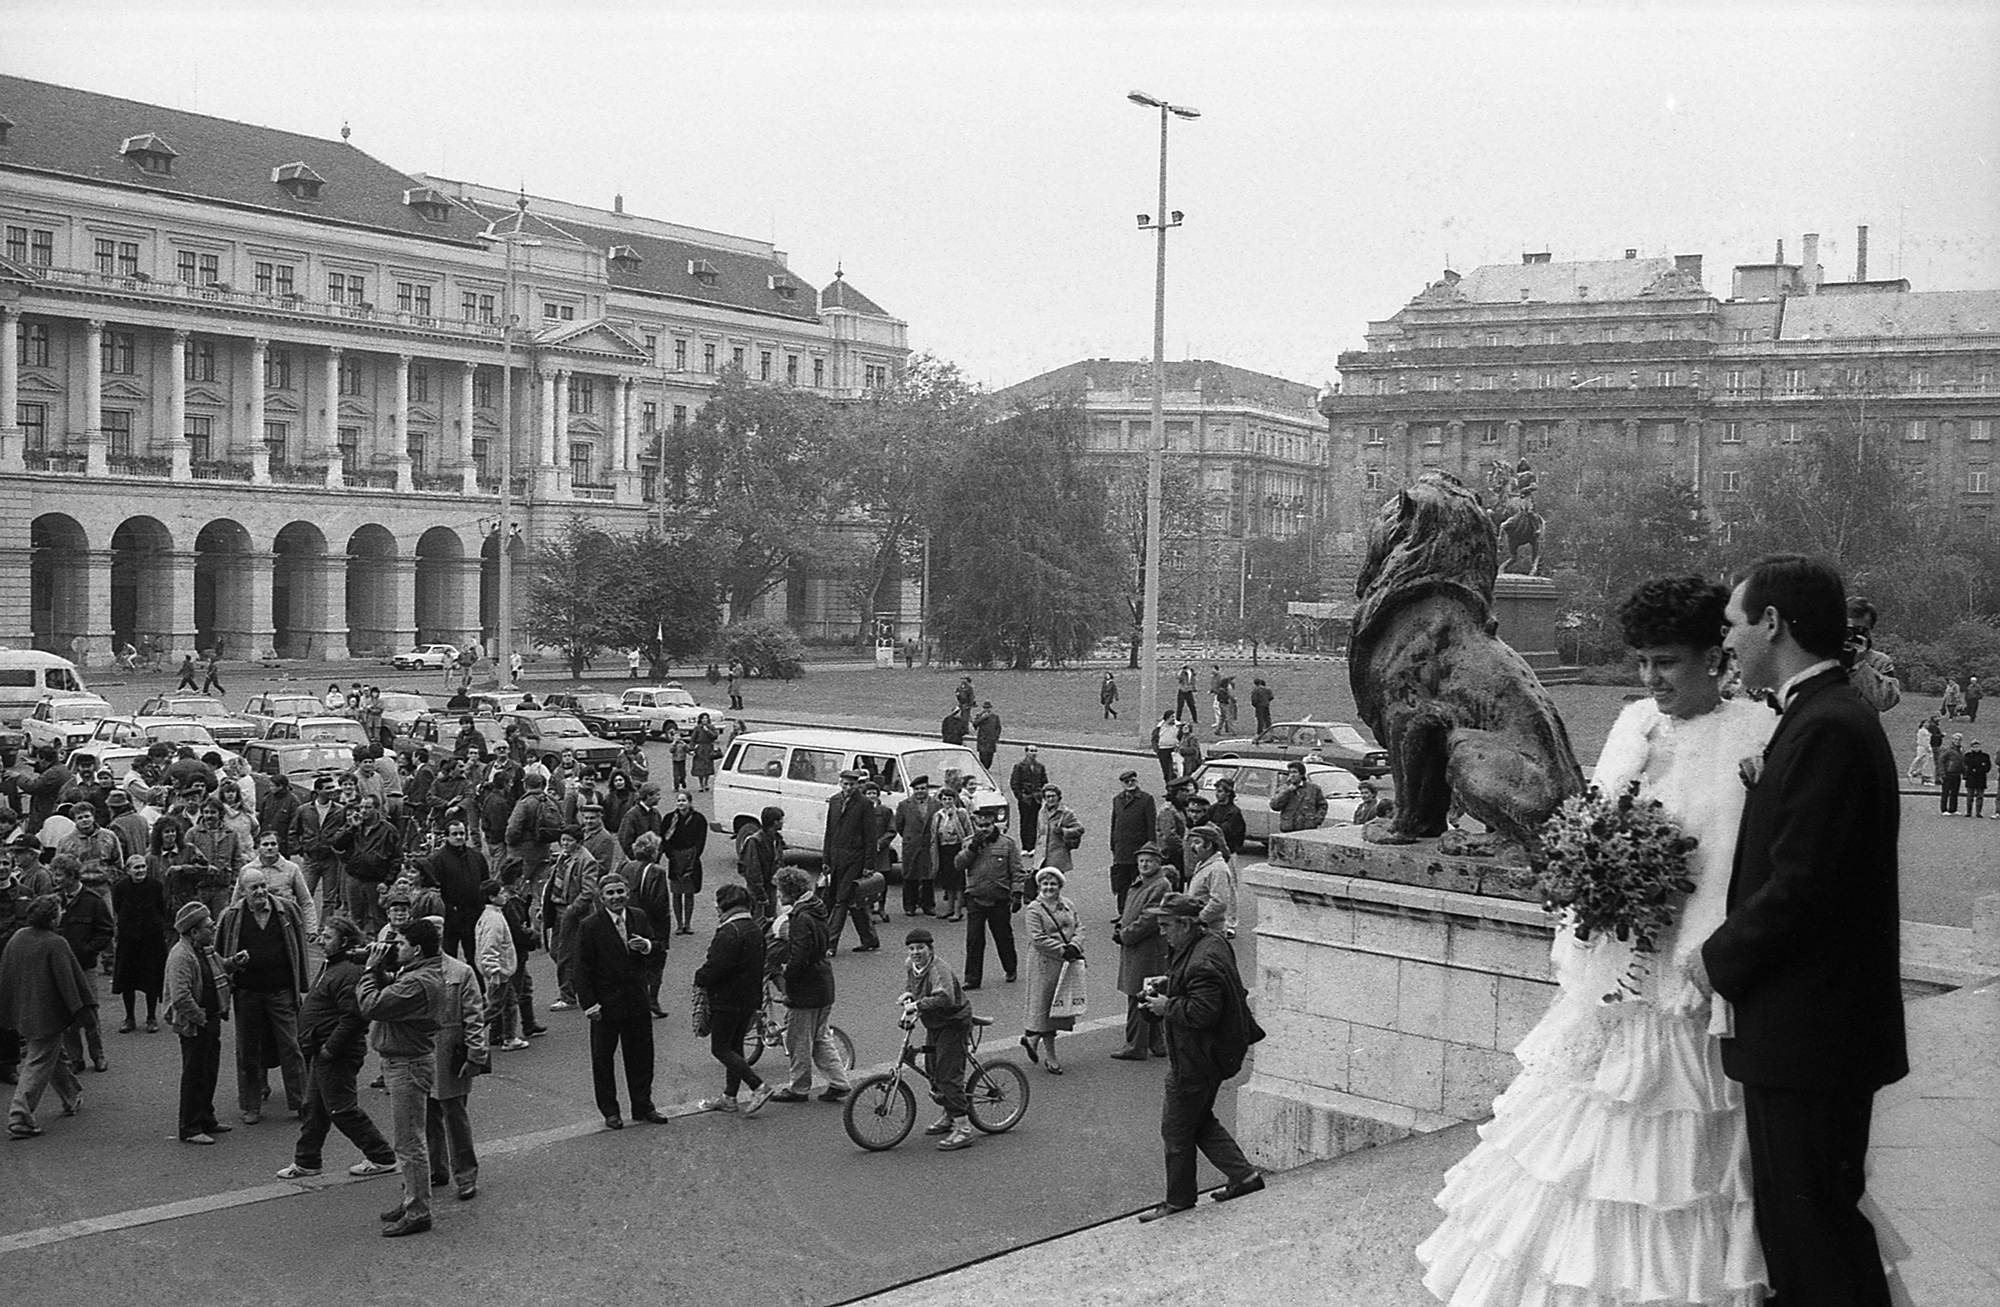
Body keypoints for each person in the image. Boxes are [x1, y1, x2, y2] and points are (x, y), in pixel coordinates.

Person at [1419, 574, 1776, 1305]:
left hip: (1708, 968)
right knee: (1595, 1148)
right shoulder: (1632, 724)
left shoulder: (1759, 733)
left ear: (1715, 655)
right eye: (1643, 660)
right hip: (1623, 966)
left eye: (1667, 661)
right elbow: (1594, 822)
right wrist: (1595, 866)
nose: (1652, 678)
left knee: (1701, 1150)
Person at [1701, 555, 1907, 1307]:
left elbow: (1802, 887)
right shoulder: (1821, 717)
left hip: (1810, 1038)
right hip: (1813, 1035)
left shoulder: (1826, 726)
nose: (1728, 641)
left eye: (1733, 624)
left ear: (1773, 624)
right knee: (1808, 1235)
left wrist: (1713, 960)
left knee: (1812, 1241)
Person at [1135, 893, 1263, 1222]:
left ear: (1186, 924)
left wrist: (1167, 1006)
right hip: (1208, 1055)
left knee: (1176, 1129)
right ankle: (1245, 1177)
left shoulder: (1202, 960)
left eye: (1166, 926)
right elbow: (1199, 989)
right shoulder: (1209, 943)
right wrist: (1170, 983)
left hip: (1195, 1059)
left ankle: (1178, 1200)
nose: (1162, 932)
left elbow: (1204, 1010)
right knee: (1200, 1119)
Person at [277, 917, 398, 1180]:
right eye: (321, 935)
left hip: (336, 1052)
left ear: (345, 941)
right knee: (315, 1108)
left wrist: (330, 1048)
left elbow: (354, 1017)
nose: (321, 940)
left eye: (328, 937)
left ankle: (381, 1156)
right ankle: (307, 1161)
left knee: (342, 1109)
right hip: (322, 1049)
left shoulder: (351, 971)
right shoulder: (334, 965)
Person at [356, 915, 446, 1237]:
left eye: (403, 944)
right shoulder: (422, 972)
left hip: (408, 1064)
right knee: (409, 1140)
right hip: (407, 1061)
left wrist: (369, 970)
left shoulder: (418, 982)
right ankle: (412, 1198)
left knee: (409, 1143)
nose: (397, 949)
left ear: (418, 949)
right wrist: (380, 970)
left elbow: (371, 1005)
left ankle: (419, 1210)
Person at [575, 874, 665, 1129]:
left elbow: (658, 947)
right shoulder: (590, 926)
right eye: (611, 893)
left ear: (627, 892)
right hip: (606, 1005)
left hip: (636, 1000)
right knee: (603, 1059)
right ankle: (610, 1111)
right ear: (601, 898)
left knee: (642, 1057)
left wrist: (647, 945)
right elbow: (582, 968)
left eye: (620, 891)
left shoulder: (638, 916)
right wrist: (589, 1004)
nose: (617, 897)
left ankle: (643, 1105)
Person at [0, 895, 91, 1139]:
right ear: (52, 917)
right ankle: (20, 1117)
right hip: (47, 1014)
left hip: (22, 1011)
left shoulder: (18, 937)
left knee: (53, 1055)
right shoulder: (55, 943)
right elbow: (69, 982)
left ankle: (71, 1095)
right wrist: (81, 1009)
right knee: (39, 1060)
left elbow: (7, 974)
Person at [767, 867, 850, 1104]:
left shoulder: (800, 918)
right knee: (821, 1038)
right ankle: (839, 1082)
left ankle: (799, 1088)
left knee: (798, 1039)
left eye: (780, 890)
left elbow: (798, 954)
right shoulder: (816, 910)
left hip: (807, 989)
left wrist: (786, 975)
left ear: (790, 891)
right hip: (823, 983)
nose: (778, 895)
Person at [692, 883, 776, 1115]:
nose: (716, 909)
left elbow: (716, 968)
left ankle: (758, 1086)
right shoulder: (753, 929)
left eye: (718, 904)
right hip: (749, 998)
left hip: (727, 999)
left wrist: (700, 977)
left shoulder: (730, 932)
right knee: (735, 1047)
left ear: (725, 905)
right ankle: (729, 1097)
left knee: (720, 1048)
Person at [425, 916, 488, 1202]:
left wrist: (476, 1054)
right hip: (421, 1053)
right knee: (426, 1116)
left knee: (455, 1117)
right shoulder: (411, 969)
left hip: (450, 1052)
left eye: (439, 932)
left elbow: (475, 1016)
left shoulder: (460, 971)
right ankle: (436, 1169)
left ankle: (465, 1175)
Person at [899, 926, 976, 1151]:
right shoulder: (910, 965)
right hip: (934, 1022)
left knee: (947, 1074)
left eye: (920, 948)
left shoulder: (938, 969)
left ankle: (963, 1128)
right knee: (933, 1070)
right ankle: (949, 1114)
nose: (915, 952)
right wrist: (908, 995)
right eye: (912, 948)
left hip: (953, 1023)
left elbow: (945, 998)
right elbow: (912, 985)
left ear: (930, 949)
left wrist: (918, 1004)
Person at [162, 901, 231, 1145]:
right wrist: (200, 1018)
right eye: (208, 926)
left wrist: (233, 963)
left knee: (209, 1071)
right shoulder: (181, 956)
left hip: (210, 1020)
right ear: (194, 932)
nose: (213, 929)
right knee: (194, 1074)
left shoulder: (205, 950)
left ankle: (206, 1118)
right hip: (195, 1024)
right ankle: (190, 1127)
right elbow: (180, 996)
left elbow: (219, 968)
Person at [1110, 844, 1172, 1061]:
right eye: (1142, 861)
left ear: (1158, 863)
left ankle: (1135, 1046)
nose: (1144, 864)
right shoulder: (1143, 882)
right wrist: (1121, 926)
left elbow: (1150, 919)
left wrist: (1125, 934)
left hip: (1146, 949)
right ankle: (1157, 1042)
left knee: (1139, 995)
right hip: (1138, 948)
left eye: (1149, 861)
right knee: (1149, 993)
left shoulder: (1160, 885)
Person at [1019, 867, 1083, 1074]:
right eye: (1045, 884)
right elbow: (1037, 939)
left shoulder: (1068, 905)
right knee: (1047, 1009)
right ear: (1039, 886)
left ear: (1060, 886)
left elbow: (1080, 927)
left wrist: (1075, 945)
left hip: (1065, 963)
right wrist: (1063, 950)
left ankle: (1032, 1039)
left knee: (1056, 1008)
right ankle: (1051, 1057)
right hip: (1044, 965)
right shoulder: (1034, 910)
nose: (1049, 887)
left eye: (1053, 884)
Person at [54, 854, 113, 1074]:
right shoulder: (55, 900)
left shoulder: (93, 901)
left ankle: (98, 1055)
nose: (56, 878)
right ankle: (76, 1058)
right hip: (62, 968)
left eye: (59, 875)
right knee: (68, 1014)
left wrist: (88, 950)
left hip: (85, 966)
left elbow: (106, 931)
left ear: (71, 875)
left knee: (89, 1012)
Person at [955, 807, 1022, 990]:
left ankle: (1010, 968)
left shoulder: (1007, 843)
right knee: (974, 940)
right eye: (980, 826)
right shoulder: (969, 843)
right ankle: (972, 978)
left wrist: (1017, 894)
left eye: (987, 825)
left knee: (1003, 937)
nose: (984, 829)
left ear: (994, 824)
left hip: (999, 899)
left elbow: (1017, 870)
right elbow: (959, 864)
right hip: (976, 898)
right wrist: (972, 849)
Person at [109, 853, 169, 1032]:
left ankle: (151, 1017)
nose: (141, 870)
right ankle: (129, 1018)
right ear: (128, 870)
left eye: (143, 866)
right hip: (128, 939)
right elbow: (118, 908)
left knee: (152, 978)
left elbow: (161, 908)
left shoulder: (155, 886)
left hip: (152, 938)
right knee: (127, 979)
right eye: (136, 867)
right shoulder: (120, 887)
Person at [822, 770, 879, 954]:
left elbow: (871, 836)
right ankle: (869, 939)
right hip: (836, 856)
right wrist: (826, 859)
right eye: (845, 784)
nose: (848, 788)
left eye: (852, 784)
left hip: (855, 857)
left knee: (842, 899)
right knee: (854, 900)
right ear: (840, 783)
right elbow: (829, 832)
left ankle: (830, 944)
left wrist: (869, 864)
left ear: (857, 785)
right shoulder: (834, 801)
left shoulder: (864, 804)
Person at [331, 793, 399, 939]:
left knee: (377, 919)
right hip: (354, 877)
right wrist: (351, 828)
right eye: (361, 807)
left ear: (377, 809)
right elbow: (337, 842)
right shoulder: (354, 825)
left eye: (367, 807)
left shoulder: (388, 830)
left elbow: (396, 858)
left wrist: (388, 881)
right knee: (355, 919)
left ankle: (379, 947)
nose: (363, 810)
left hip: (376, 880)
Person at [420, 819, 488, 962]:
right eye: (454, 834)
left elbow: (485, 882)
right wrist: (448, 910)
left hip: (473, 915)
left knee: (475, 958)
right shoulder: (437, 859)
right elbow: (434, 888)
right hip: (451, 918)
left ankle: (477, 983)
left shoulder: (476, 857)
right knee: (449, 958)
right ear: (447, 836)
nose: (459, 837)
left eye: (462, 833)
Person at [660, 789, 708, 936]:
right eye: (679, 801)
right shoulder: (669, 818)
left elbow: (701, 839)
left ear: (690, 802)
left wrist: (694, 855)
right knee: (676, 893)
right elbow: (664, 838)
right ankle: (679, 924)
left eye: (684, 800)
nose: (681, 803)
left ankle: (688, 923)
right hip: (675, 859)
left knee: (689, 893)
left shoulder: (699, 819)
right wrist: (671, 855)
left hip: (691, 859)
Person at [1108, 769, 1157, 914]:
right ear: (1122, 784)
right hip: (1121, 850)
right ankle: (1122, 913)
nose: (1130, 784)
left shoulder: (1146, 799)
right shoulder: (1117, 799)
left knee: (1138, 883)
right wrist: (1113, 844)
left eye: (1132, 781)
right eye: (1126, 782)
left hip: (1139, 850)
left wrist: (1151, 848)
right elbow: (1114, 823)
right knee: (1122, 884)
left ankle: (1136, 912)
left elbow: (1151, 825)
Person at [1843, 596, 1900, 713]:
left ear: (1869, 631)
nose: (1850, 635)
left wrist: (1860, 666)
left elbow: (1886, 701)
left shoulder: (1879, 661)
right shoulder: (1820, 656)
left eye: (1858, 630)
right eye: (1847, 629)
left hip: (1860, 728)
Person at [1183, 824, 1239, 939]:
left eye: (1197, 842)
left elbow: (1219, 902)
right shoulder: (1202, 864)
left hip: (1210, 931)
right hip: (1200, 929)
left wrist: (1200, 918)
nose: (1192, 847)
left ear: (1208, 845)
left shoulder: (1218, 869)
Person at [893, 778, 939, 918]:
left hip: (928, 844)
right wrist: (909, 837)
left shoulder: (936, 804)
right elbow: (899, 825)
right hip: (911, 844)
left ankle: (928, 905)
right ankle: (909, 905)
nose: (920, 792)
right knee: (910, 875)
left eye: (923, 788)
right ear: (913, 790)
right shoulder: (904, 805)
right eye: (917, 789)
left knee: (928, 875)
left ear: (927, 789)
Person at [929, 788, 974, 923]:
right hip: (943, 849)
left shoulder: (961, 813)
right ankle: (949, 908)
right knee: (947, 880)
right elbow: (934, 834)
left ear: (954, 800)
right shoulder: (937, 815)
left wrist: (967, 849)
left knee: (958, 880)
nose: (947, 801)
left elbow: (969, 831)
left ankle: (958, 910)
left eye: (950, 799)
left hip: (957, 848)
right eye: (944, 799)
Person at [736, 805, 785, 923]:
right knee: (758, 923)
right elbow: (753, 870)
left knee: (770, 922)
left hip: (771, 889)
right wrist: (760, 895)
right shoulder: (755, 841)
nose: (783, 822)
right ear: (775, 822)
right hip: (758, 893)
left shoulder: (776, 839)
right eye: (781, 819)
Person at [1033, 784, 1085, 875]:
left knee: (1054, 884)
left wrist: (1063, 831)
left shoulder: (1066, 813)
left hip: (1057, 858)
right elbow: (1039, 834)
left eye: (1053, 796)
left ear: (1058, 797)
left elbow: (1080, 829)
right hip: (1041, 859)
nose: (1050, 799)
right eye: (1048, 796)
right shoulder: (1042, 812)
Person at [1008, 746, 1049, 853]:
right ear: (1026, 753)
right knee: (1025, 822)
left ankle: (1032, 846)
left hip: (1036, 799)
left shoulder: (1040, 766)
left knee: (1034, 822)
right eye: (1031, 751)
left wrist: (1041, 794)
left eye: (1035, 751)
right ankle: (1025, 846)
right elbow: (1014, 782)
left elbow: (1044, 781)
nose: (1033, 753)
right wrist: (1020, 796)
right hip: (1025, 798)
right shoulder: (1019, 766)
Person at [1271, 759, 1327, 832]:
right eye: (1290, 772)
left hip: (1307, 828)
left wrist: (1317, 820)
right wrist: (1287, 791)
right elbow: (1275, 806)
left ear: (1301, 774)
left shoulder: (1313, 788)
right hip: (1288, 827)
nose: (1292, 775)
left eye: (1295, 772)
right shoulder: (1284, 788)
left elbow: (1323, 805)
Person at [1206, 777, 1247, 858]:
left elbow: (1226, 831)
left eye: (1220, 791)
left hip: (1228, 851)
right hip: (1213, 849)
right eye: (1216, 791)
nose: (1217, 794)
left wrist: (1212, 826)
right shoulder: (1213, 808)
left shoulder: (1234, 812)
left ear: (1228, 793)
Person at [689, 714, 719, 792]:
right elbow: (693, 739)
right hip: (700, 748)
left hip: (708, 748)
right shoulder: (697, 728)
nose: (704, 720)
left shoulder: (711, 727)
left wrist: (707, 731)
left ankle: (706, 782)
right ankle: (701, 784)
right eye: (703, 718)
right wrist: (691, 749)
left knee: (708, 766)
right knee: (700, 767)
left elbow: (715, 736)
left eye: (706, 718)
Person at [1964, 739, 1992, 818]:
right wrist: (1979, 767)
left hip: (1981, 779)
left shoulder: (1985, 756)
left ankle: (1978, 812)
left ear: (1980, 747)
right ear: (1971, 748)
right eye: (1974, 747)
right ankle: (1968, 812)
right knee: (1970, 796)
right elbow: (1968, 765)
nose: (1976, 748)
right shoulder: (1968, 756)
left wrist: (1976, 769)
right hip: (1971, 778)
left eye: (1977, 747)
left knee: (1980, 796)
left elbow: (1987, 768)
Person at [1907, 715, 1939, 785]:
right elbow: (1925, 741)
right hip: (1923, 748)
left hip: (1924, 747)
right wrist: (1928, 748)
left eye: (1928, 723)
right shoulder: (1922, 731)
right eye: (1926, 723)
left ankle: (1923, 776)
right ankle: (1914, 772)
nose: (1928, 724)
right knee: (1923, 761)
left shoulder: (1925, 731)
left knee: (1926, 762)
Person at [1939, 731, 1965, 815]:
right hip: (1948, 773)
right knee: (1946, 792)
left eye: (1959, 739)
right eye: (1956, 739)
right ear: (1952, 740)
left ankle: (1953, 809)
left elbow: (1963, 762)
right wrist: (1942, 773)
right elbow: (1941, 760)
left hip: (1957, 773)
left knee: (1955, 792)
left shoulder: (1961, 749)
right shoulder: (1948, 749)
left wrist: (1964, 772)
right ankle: (1944, 809)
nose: (1957, 741)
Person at [1150, 711, 1179, 786]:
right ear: (1167, 718)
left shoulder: (1178, 726)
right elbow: (1154, 739)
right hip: (1163, 751)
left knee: (1174, 771)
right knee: (1166, 771)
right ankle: (1169, 788)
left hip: (1174, 751)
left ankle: (1175, 788)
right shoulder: (1159, 728)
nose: (1174, 719)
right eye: (1172, 717)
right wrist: (1157, 750)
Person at [972, 701, 1002, 770]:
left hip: (991, 740)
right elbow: (975, 724)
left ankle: (987, 768)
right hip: (983, 739)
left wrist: (996, 737)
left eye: (988, 708)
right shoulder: (979, 715)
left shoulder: (995, 717)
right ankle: (983, 768)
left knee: (990, 756)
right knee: (982, 755)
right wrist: (982, 718)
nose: (987, 709)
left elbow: (998, 727)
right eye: (985, 708)